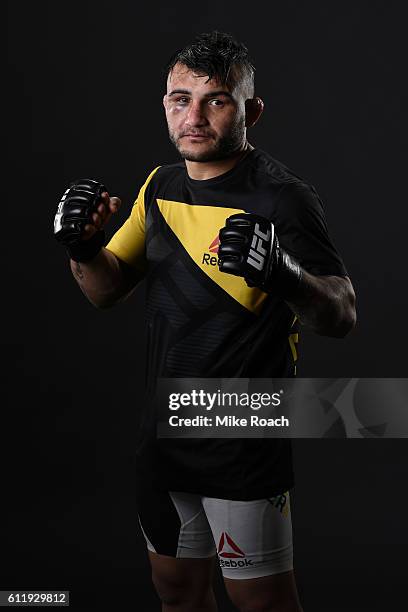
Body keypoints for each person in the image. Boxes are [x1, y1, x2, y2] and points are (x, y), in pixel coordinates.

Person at [54, 31, 356, 612]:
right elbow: (105, 291)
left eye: (215, 100)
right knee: (175, 593)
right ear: (164, 102)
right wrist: (84, 250)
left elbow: (341, 315)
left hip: (242, 437)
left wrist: (284, 273)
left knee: (262, 602)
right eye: (179, 98)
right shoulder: (159, 185)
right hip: (164, 437)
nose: (193, 115)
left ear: (251, 111)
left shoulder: (284, 199)